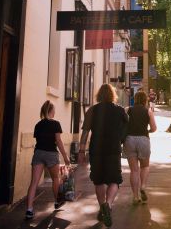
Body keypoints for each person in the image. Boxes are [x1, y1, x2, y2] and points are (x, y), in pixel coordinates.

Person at [80, 83, 128, 227]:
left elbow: (85, 132)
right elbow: (127, 127)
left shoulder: (92, 110)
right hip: (113, 148)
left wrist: (81, 151)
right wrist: (121, 140)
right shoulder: (120, 111)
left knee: (99, 180)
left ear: (99, 95)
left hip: (96, 150)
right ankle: (108, 204)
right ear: (113, 95)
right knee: (114, 180)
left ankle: (102, 206)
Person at [25, 100, 72, 220]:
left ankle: (29, 210)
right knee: (55, 179)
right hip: (51, 154)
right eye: (54, 110)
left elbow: (38, 140)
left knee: (34, 182)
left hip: (39, 153)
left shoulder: (38, 124)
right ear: (51, 111)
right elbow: (59, 141)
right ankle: (57, 202)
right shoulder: (56, 124)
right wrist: (66, 157)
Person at [123, 90, 157, 204]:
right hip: (143, 139)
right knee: (145, 166)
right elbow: (154, 128)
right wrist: (147, 131)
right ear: (145, 100)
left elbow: (122, 124)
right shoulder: (148, 111)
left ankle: (135, 196)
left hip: (129, 140)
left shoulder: (128, 110)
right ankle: (143, 186)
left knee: (134, 170)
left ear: (135, 99)